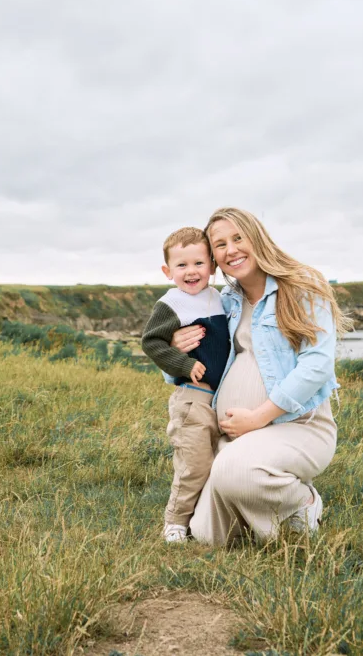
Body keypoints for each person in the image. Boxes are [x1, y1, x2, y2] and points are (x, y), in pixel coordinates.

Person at [170, 207, 351, 545]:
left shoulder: (302, 286)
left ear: (258, 237)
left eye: (238, 238)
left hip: (298, 425)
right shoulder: (225, 302)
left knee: (233, 472)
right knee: (207, 535)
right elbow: (200, 365)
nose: (231, 250)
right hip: (238, 435)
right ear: (214, 259)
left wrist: (258, 417)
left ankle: (304, 503)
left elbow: (317, 364)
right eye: (220, 245)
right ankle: (265, 517)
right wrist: (177, 350)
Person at [141, 227, 230, 543]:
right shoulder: (172, 303)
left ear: (212, 267)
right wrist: (184, 363)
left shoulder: (218, 299)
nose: (191, 272)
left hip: (221, 402)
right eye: (181, 266)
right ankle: (175, 522)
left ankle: (203, 519)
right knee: (194, 464)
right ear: (168, 271)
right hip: (192, 400)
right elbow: (152, 342)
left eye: (198, 263)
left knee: (216, 465)